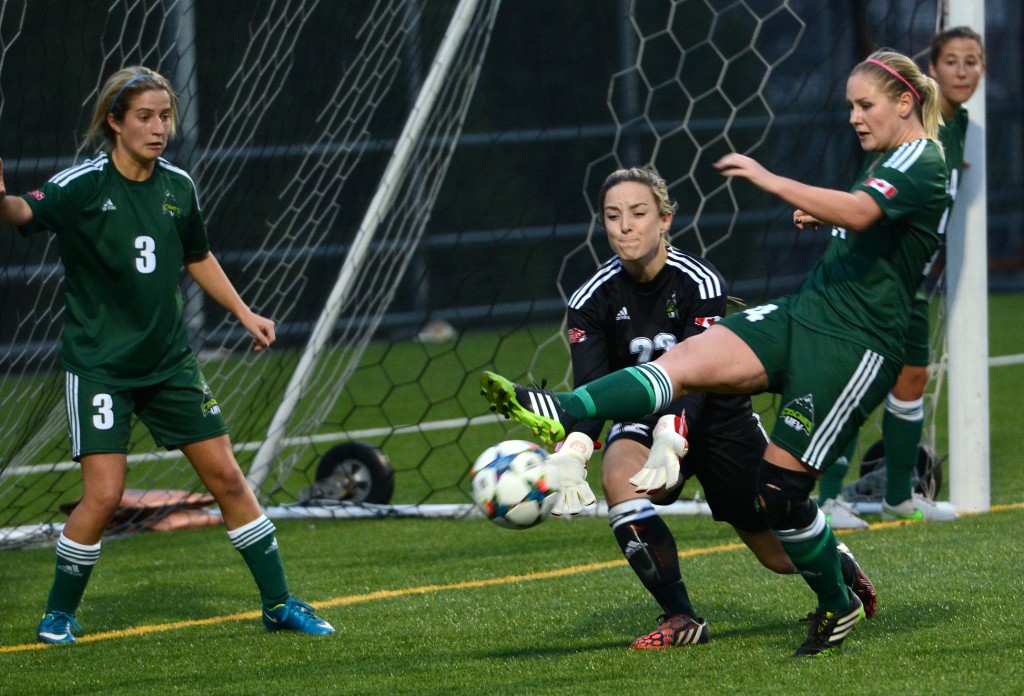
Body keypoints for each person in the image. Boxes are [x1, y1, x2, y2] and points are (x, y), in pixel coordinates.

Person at [481, 49, 948, 656]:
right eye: (851, 106)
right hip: (806, 310)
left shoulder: (922, 157)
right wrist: (827, 218)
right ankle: (566, 409)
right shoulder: (891, 157)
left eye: (865, 105)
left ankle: (837, 602)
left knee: (779, 498)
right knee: (678, 364)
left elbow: (865, 212)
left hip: (855, 344)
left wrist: (772, 180)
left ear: (905, 102)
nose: (855, 117)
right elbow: (870, 226)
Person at [0, 66, 333, 643]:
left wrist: (243, 311)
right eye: (145, 117)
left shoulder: (178, 186)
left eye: (165, 117)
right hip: (100, 368)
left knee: (229, 478)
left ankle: (279, 603)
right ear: (114, 121)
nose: (159, 129)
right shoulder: (83, 185)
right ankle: (58, 613)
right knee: (103, 496)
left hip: (169, 364)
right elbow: (23, 213)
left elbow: (197, 256)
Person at [556, 166, 875, 649]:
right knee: (618, 477)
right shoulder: (590, 299)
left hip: (720, 418)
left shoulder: (700, 282)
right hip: (643, 417)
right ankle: (681, 617)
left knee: (779, 556)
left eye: (638, 213)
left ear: (664, 220)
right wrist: (573, 453)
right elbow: (594, 390)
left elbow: (698, 378)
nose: (625, 226)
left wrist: (673, 436)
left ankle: (840, 566)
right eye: (613, 216)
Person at [818, 26, 985, 528]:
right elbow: (873, 192)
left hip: (912, 280)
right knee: (854, 382)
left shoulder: (959, 126)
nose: (962, 71)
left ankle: (898, 497)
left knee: (914, 377)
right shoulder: (908, 130)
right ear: (931, 71)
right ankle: (826, 499)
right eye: (951, 61)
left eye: (972, 61)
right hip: (877, 276)